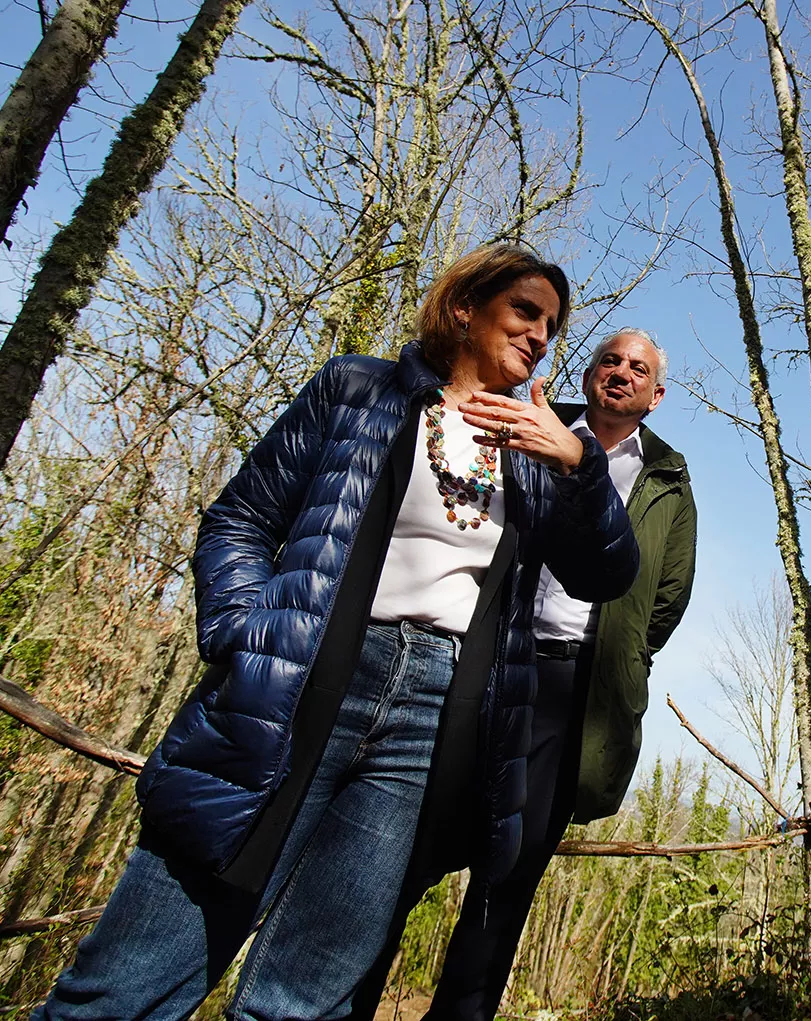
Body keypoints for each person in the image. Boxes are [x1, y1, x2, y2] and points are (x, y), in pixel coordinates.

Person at [35, 245, 639, 1019]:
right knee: (125, 985)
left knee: (302, 1000)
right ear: (464, 308)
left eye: (552, 326)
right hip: (300, 689)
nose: (541, 338)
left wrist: (577, 462)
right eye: (525, 311)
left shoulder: (533, 454)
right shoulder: (360, 389)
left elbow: (606, 575)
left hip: (428, 722)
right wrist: (247, 633)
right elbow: (239, 521)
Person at [406, 327, 697, 1019]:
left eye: (637, 368)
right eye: (609, 360)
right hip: (484, 659)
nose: (620, 372)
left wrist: (615, 653)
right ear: (590, 373)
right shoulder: (525, 423)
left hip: (572, 694)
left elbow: (668, 598)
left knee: (508, 876)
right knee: (412, 839)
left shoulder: (669, 481)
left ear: (654, 397)